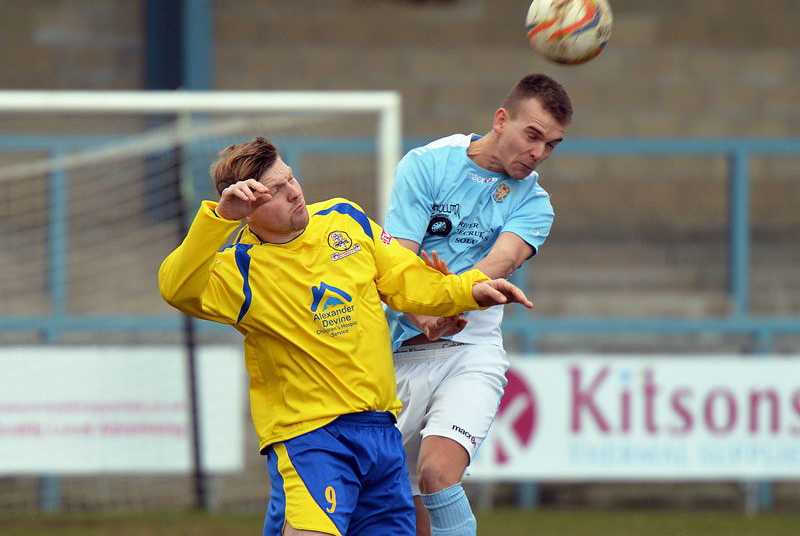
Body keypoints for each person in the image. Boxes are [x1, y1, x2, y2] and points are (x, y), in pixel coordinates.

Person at [158, 136, 534, 536]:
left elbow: (406, 278)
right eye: (276, 191)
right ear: (248, 211)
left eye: (290, 179)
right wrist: (219, 218)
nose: (294, 192)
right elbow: (175, 288)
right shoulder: (239, 270)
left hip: (381, 432)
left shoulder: (344, 218)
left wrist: (470, 289)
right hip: (312, 438)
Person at [383, 73, 572, 536]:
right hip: (396, 354)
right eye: (533, 135)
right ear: (501, 119)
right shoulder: (426, 165)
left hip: (471, 350)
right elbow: (397, 264)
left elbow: (499, 262)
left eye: (551, 145)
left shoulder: (535, 203)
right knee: (401, 501)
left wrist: (449, 294)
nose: (539, 153)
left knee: (436, 474)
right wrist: (426, 313)